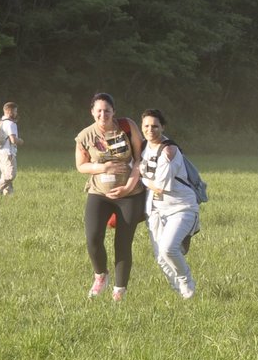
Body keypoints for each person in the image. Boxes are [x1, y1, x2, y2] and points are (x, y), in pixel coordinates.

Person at [74, 92, 146, 301]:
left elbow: (141, 159)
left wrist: (128, 187)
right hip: (99, 193)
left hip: (130, 194)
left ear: (114, 111)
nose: (103, 114)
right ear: (92, 112)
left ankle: (119, 291)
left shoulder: (126, 126)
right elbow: (81, 166)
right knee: (93, 238)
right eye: (99, 111)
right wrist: (102, 167)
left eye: (107, 110)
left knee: (123, 243)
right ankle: (100, 276)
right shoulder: (85, 136)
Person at [138, 109, 199, 299]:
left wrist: (140, 178)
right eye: (146, 126)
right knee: (160, 258)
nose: (150, 130)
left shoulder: (169, 150)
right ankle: (181, 295)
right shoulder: (143, 147)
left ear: (162, 127)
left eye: (155, 126)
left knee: (168, 248)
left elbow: (159, 187)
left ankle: (186, 281)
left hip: (181, 207)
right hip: (156, 210)